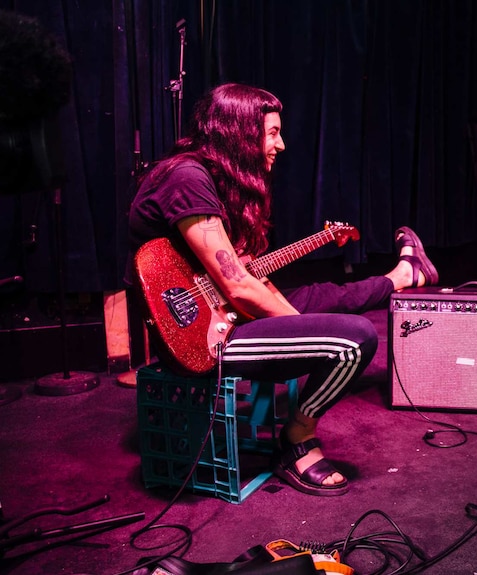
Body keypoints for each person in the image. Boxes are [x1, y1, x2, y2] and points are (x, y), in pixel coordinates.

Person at [126, 83, 438, 496]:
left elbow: (234, 273)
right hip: (199, 335)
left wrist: (303, 321)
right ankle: (297, 438)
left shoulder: (213, 178)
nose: (281, 144)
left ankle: (401, 275)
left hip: (225, 311)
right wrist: (304, 331)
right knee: (353, 339)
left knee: (328, 296)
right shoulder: (188, 177)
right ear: (239, 132)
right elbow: (237, 285)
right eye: (272, 132)